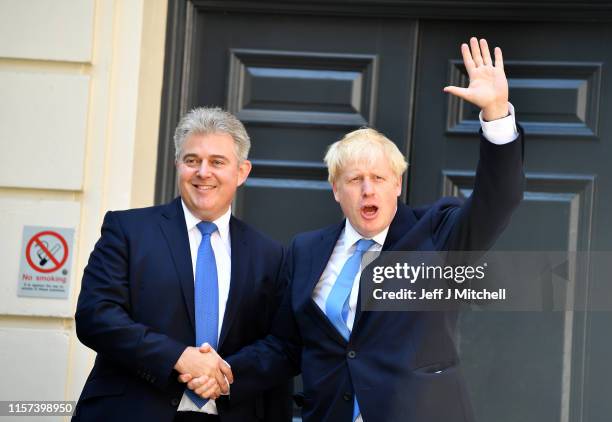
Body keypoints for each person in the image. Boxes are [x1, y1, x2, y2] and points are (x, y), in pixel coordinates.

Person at [182, 38, 524, 421]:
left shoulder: (437, 235)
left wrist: (496, 114)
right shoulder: (306, 250)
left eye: (379, 177)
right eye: (354, 178)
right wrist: (224, 374)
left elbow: (499, 200)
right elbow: (286, 346)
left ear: (397, 185)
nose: (367, 189)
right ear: (335, 189)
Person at [73, 108, 292, 422]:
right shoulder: (128, 231)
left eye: (217, 162)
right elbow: (96, 316)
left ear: (242, 172)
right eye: (192, 160)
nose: (203, 172)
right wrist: (178, 357)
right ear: (178, 164)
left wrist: (225, 377)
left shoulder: (270, 254)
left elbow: (281, 344)